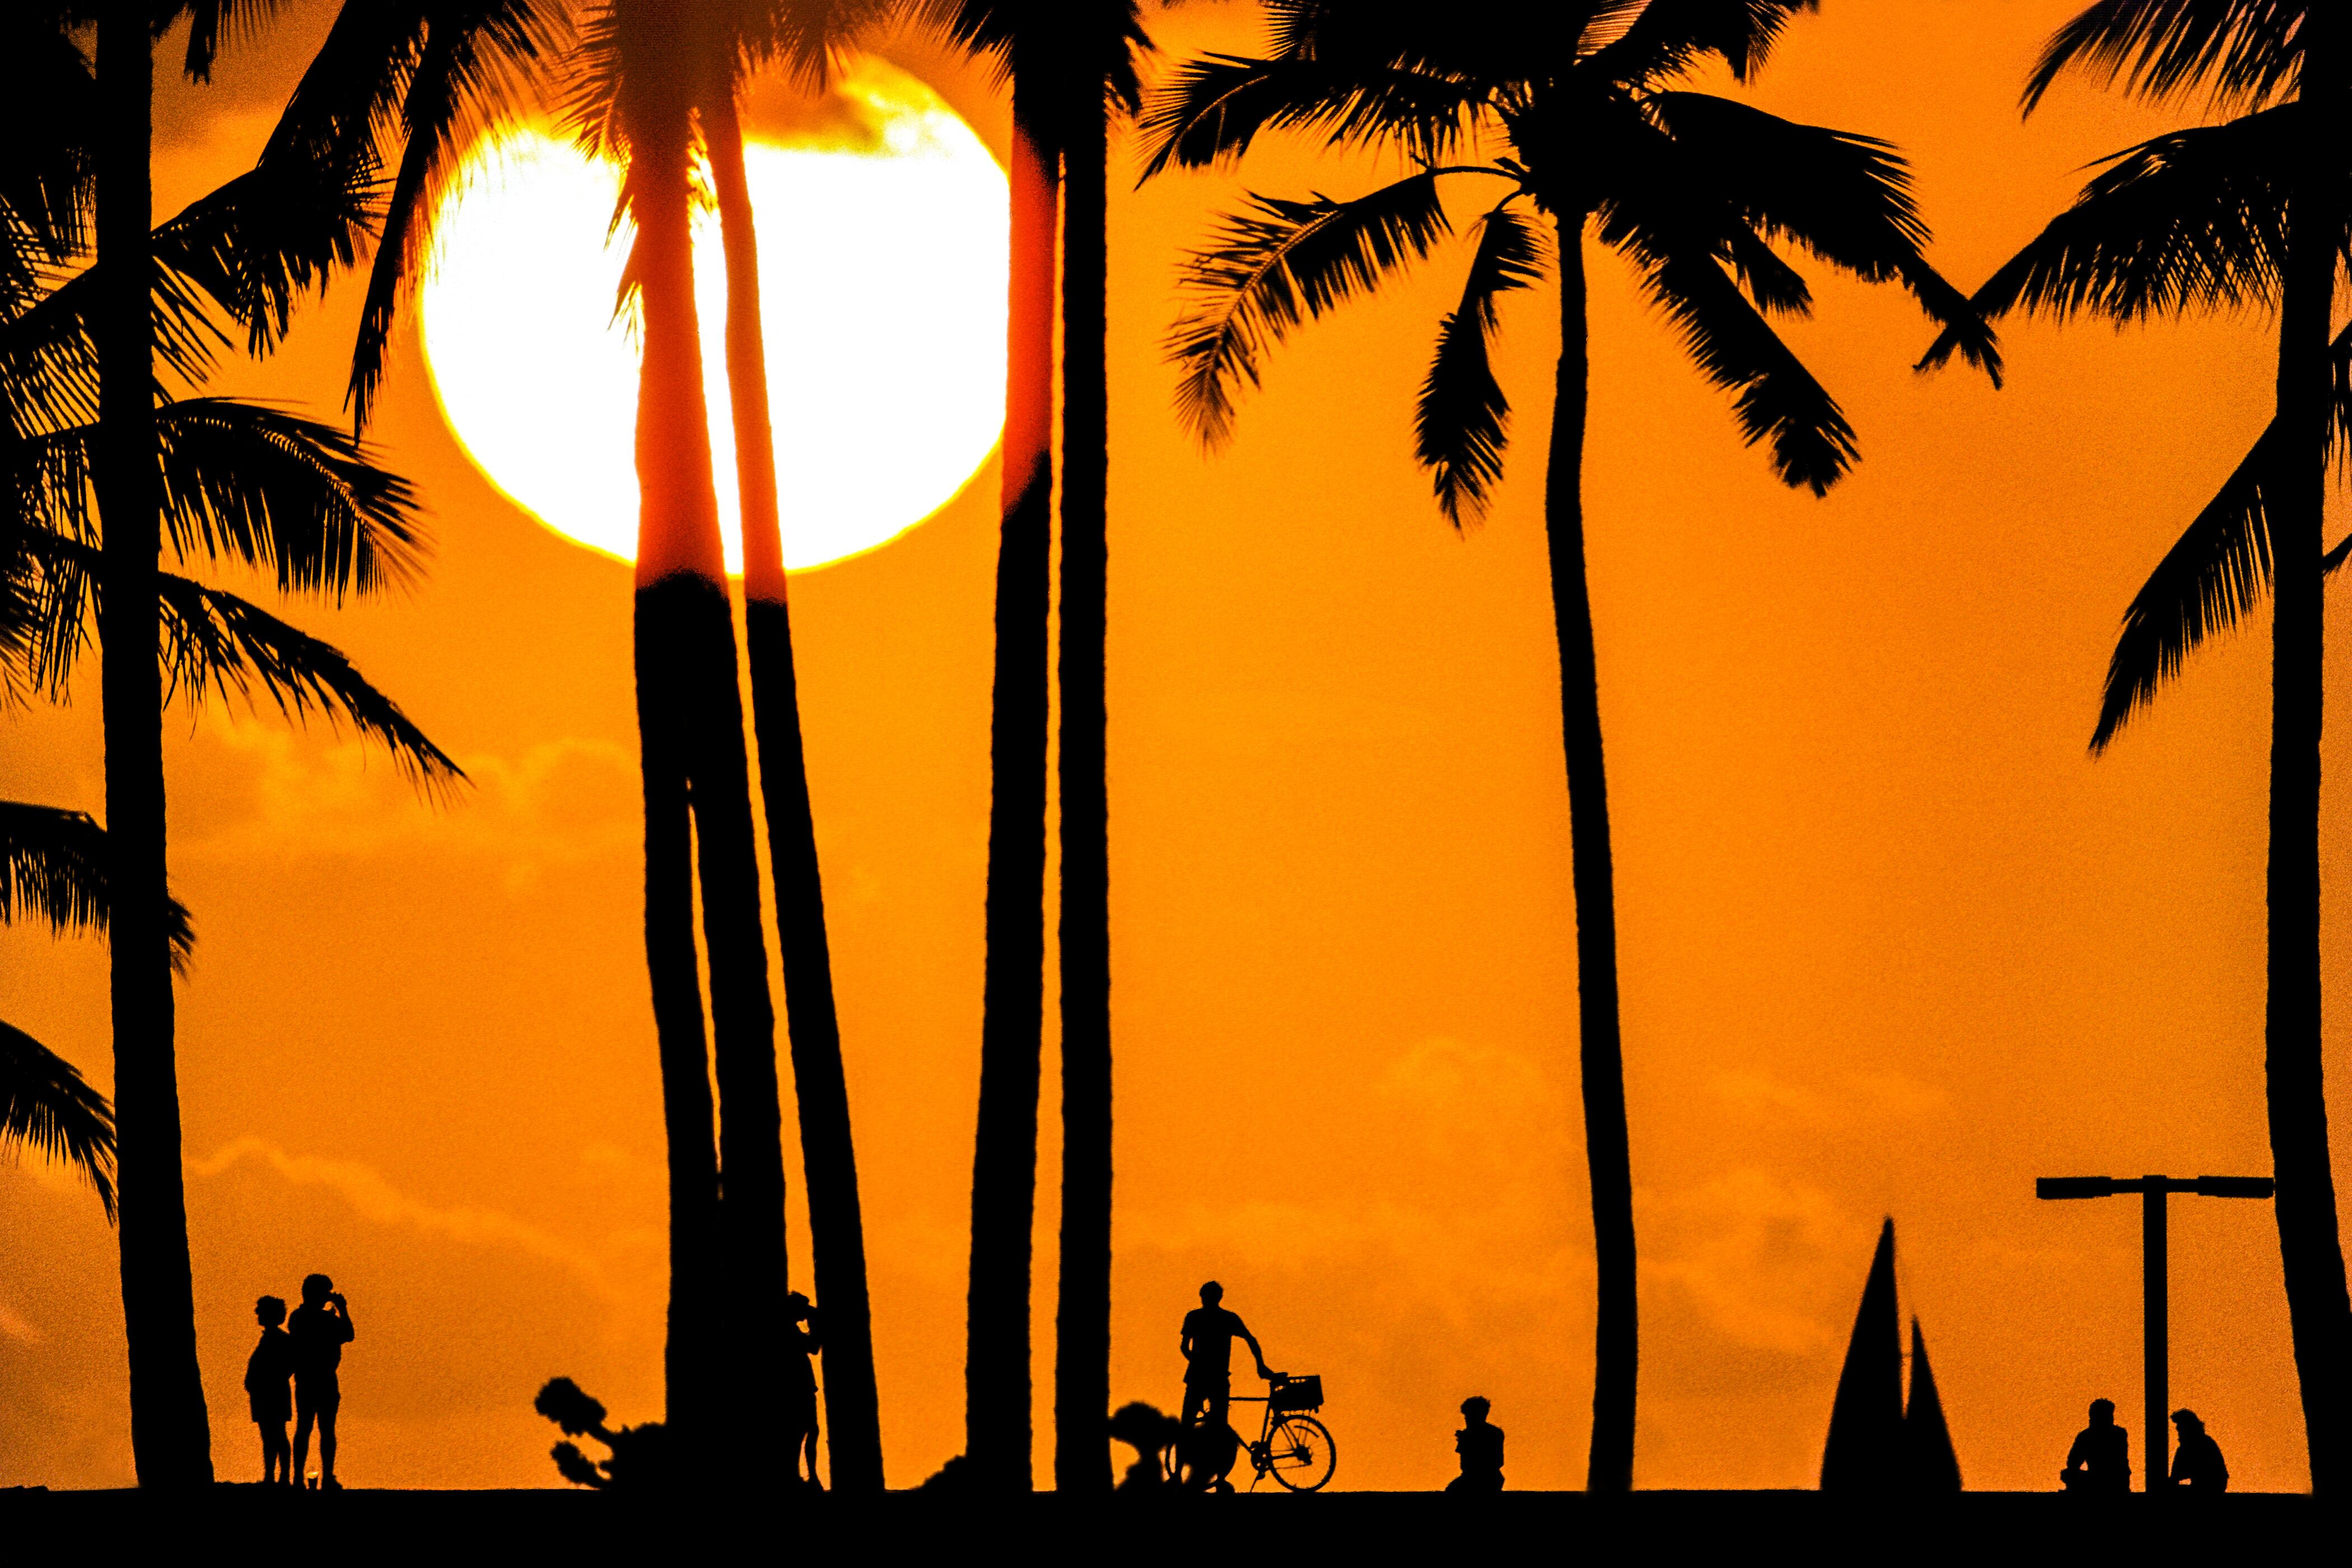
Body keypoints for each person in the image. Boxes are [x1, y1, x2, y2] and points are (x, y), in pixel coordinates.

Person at [1179, 1281, 1277, 1442]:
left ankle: (1179, 1465)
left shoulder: (1194, 1317)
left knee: (1187, 1423)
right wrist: (1261, 1366)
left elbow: (1184, 1347)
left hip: (1197, 1377)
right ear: (1220, 1297)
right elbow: (1251, 1340)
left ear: (1203, 1297)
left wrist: (1197, 1362)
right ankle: (1215, 1460)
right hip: (1218, 1378)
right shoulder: (1228, 1318)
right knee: (1218, 1425)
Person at [288, 1273, 356, 1490]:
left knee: (305, 1428)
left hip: (306, 1379)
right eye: (326, 1292)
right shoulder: (325, 1319)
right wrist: (342, 1309)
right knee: (325, 1429)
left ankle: (299, 1477)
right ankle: (326, 1477)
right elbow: (349, 1334)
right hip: (324, 1379)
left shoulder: (297, 1317)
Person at [245, 1296, 294, 1486]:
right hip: (265, 1394)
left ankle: (279, 1478)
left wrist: (267, 1383)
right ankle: (272, 1477)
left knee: (276, 1435)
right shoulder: (272, 1338)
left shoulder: (280, 1340)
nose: (257, 1313)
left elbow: (287, 1367)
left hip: (271, 1394)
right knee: (270, 1436)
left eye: (261, 1310)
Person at [785, 1291, 823, 1488]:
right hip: (799, 1389)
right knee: (801, 1432)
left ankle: (809, 1476)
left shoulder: (790, 1330)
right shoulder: (787, 1332)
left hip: (802, 1388)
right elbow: (814, 1347)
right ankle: (807, 1476)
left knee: (806, 1431)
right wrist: (816, 1324)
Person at [2060, 1398, 2130, 1492]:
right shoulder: (2118, 1433)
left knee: (2069, 1474)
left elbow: (2073, 1462)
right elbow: (2073, 1462)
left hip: (2114, 1479)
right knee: (2068, 1474)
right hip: (2105, 1478)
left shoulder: (2117, 1434)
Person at [1446, 1396, 1504, 1492]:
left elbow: (1497, 1462)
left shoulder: (1489, 1434)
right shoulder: (1495, 1433)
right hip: (1488, 1479)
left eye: (1469, 1415)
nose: (1466, 1419)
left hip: (1484, 1480)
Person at [2169, 1409, 2229, 1492]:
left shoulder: (2204, 1444)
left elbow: (2177, 1476)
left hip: (2211, 1489)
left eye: (2180, 1425)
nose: (2177, 1428)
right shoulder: (2186, 1447)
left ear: (2188, 1427)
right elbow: (2176, 1476)